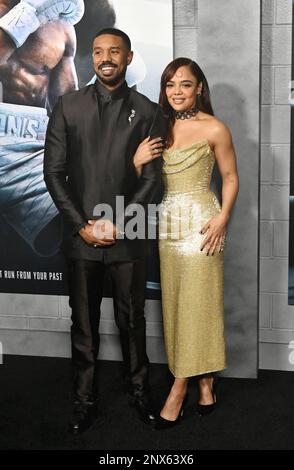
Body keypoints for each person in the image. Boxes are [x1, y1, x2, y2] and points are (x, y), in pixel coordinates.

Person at [44, 27, 166, 433]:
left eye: (115, 51)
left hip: (128, 236)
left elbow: (152, 180)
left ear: (129, 58)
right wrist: (82, 226)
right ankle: (83, 400)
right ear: (91, 58)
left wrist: (119, 222)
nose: (106, 57)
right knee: (84, 322)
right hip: (80, 240)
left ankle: (139, 394)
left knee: (133, 321)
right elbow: (54, 173)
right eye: (98, 51)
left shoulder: (149, 111)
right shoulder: (66, 106)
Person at [133, 57, 239, 429]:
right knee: (179, 306)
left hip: (202, 225)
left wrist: (222, 218)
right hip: (169, 226)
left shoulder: (215, 128)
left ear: (199, 89)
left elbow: (229, 178)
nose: (177, 91)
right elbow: (140, 183)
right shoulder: (158, 129)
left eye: (185, 84)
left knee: (198, 303)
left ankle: (178, 391)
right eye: (170, 85)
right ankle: (206, 384)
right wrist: (135, 160)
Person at [0, 0, 84, 254]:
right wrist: (29, 11)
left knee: (70, 227)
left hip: (34, 149)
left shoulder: (61, 28)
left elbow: (67, 102)